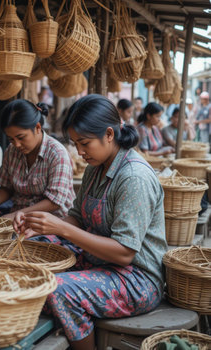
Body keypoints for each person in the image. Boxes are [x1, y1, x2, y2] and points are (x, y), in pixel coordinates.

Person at [14, 94, 167, 350]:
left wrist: (62, 229)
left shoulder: (133, 177)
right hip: (99, 260)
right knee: (34, 248)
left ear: (109, 134)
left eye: (84, 143)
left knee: (56, 289)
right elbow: (76, 216)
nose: (80, 152)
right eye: (75, 144)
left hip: (135, 279)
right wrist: (42, 224)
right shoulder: (95, 168)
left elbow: (124, 253)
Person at [0, 99, 75, 220]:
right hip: (19, 217)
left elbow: (54, 202)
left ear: (37, 127)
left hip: (52, 221)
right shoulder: (12, 151)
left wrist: (17, 214)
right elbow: (7, 188)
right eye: (11, 139)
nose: (17, 144)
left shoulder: (57, 154)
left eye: (21, 137)